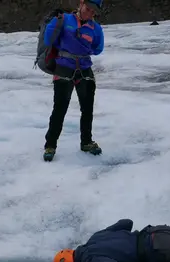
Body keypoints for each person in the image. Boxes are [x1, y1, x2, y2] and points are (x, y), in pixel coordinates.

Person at [41, 0, 105, 162]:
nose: (89, 13)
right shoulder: (63, 20)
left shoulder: (96, 28)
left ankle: (86, 142)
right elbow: (48, 40)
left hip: (84, 69)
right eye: (87, 8)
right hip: (64, 67)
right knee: (60, 108)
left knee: (87, 108)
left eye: (93, 11)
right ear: (81, 3)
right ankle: (50, 145)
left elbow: (98, 48)